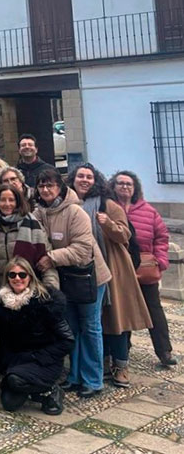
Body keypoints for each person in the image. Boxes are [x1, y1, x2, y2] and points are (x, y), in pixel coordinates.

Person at [70, 164, 150, 388]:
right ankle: (102, 362)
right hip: (83, 270)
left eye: (89, 177)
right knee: (96, 321)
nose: (84, 180)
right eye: (80, 176)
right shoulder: (70, 204)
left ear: (95, 181)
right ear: (73, 180)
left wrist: (108, 224)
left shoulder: (108, 204)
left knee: (116, 319)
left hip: (112, 267)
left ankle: (121, 365)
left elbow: (125, 235)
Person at [33, 168, 110, 398]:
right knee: (71, 327)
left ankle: (93, 379)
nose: (45, 189)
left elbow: (83, 249)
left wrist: (51, 257)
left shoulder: (76, 212)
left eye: (50, 185)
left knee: (90, 327)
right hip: (65, 277)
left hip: (89, 277)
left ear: (60, 187)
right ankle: (75, 376)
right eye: (41, 185)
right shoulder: (39, 212)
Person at [0, 257, 72, 415]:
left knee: (15, 380)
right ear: (7, 278)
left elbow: (67, 340)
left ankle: (51, 389)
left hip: (43, 360)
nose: (17, 278)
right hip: (16, 359)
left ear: (30, 277)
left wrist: (38, 356)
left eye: (22, 275)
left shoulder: (45, 301)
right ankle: (28, 388)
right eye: (12, 275)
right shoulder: (1, 303)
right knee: (9, 404)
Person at [114, 170, 175, 367]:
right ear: (113, 186)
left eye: (128, 184)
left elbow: (161, 237)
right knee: (123, 310)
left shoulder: (148, 211)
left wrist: (161, 261)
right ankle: (123, 351)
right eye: (121, 183)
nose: (125, 187)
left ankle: (164, 351)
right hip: (119, 269)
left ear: (135, 188)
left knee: (154, 309)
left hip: (145, 267)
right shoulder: (109, 208)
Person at [0, 183, 56, 292]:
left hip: (31, 291)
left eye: (11, 200)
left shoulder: (33, 224)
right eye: (2, 200)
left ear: (18, 202)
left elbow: (46, 262)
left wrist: (51, 291)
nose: (7, 204)